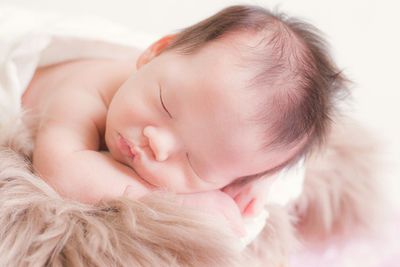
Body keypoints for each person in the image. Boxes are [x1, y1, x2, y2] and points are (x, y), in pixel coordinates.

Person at [20, 5, 347, 237]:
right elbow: (61, 170)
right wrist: (184, 203)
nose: (157, 143)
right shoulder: (87, 90)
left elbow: (285, 172)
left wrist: (258, 182)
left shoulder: (226, 139)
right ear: (155, 53)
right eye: (164, 105)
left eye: (194, 162)